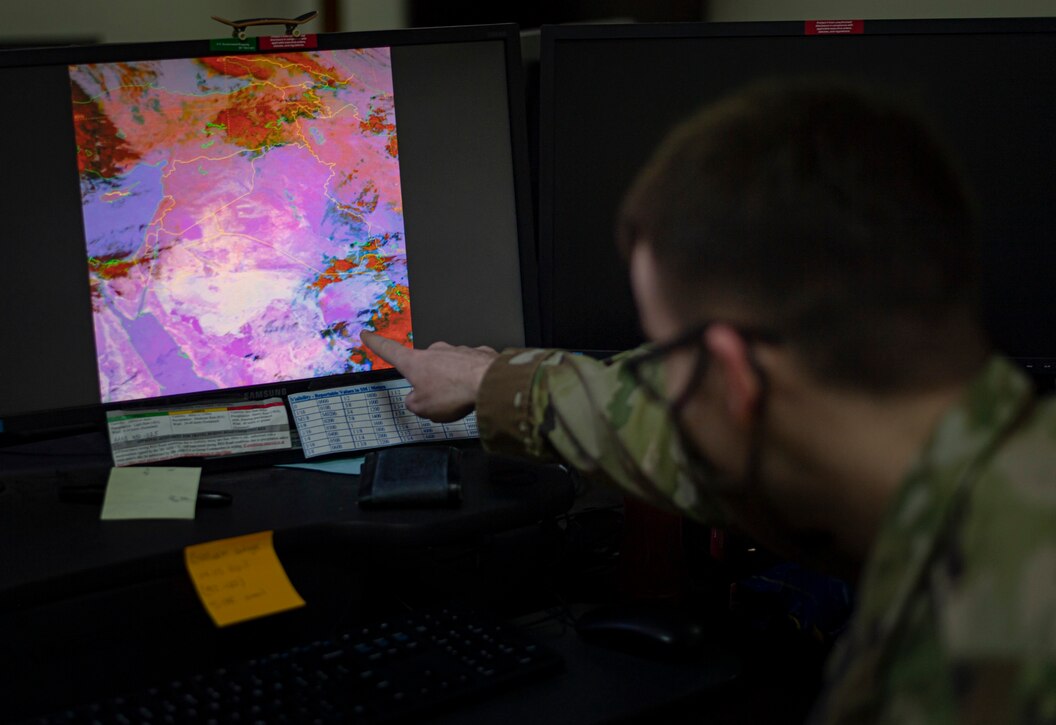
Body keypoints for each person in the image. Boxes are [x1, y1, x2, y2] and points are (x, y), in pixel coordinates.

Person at [361, 79, 1056, 723]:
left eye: (663, 356)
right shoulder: (993, 449)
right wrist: (491, 382)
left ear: (734, 380)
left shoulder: (963, 669)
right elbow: (654, 424)